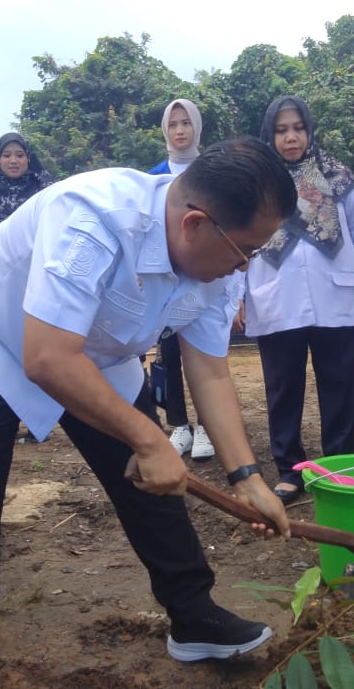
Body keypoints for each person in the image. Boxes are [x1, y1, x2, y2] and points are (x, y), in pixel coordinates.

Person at [0, 137, 297, 689]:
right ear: (195, 224)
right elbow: (47, 357)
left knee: (155, 489)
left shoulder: (221, 259)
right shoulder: (93, 216)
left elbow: (210, 370)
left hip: (100, 355)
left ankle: (194, 616)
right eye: (245, 252)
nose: (247, 265)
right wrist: (149, 439)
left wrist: (248, 478)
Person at [243, 96, 354, 505]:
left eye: (298, 128)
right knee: (282, 387)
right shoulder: (255, 181)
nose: (291, 137)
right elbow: (237, 239)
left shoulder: (338, 177)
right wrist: (235, 297)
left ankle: (339, 465)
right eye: (282, 130)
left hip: (336, 297)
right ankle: (290, 469)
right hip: (276, 298)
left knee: (339, 385)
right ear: (270, 135)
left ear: (309, 130)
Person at [147, 99, 215, 459]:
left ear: (197, 127)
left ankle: (206, 425)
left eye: (186, 123)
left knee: (204, 352)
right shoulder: (154, 174)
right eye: (173, 124)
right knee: (168, 353)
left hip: (206, 277)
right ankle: (180, 424)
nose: (179, 130)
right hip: (166, 278)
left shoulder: (213, 169)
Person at [0, 132, 53, 244]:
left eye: (20, 155)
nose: (13, 161)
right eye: (6, 155)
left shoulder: (45, 195)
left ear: (28, 158)